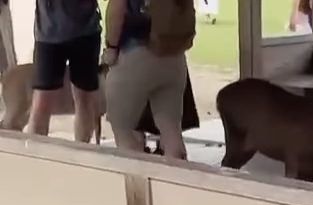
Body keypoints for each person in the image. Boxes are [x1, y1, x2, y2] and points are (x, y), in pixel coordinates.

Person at [102, 0, 196, 160]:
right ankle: (177, 178)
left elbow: (116, 10)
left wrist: (111, 47)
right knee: (171, 129)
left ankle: (137, 179)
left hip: (135, 56)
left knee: (124, 130)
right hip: (174, 55)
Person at [29, 0, 102, 142]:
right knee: (41, 101)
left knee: (84, 97)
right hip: (49, 32)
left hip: (86, 30)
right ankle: (34, 156)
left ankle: (81, 152)